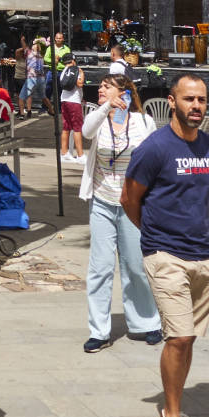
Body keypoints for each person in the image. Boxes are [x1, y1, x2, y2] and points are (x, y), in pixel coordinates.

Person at [121, 74, 209, 417]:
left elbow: (205, 192)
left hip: (205, 255)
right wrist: (154, 237)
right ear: (172, 101)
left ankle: (174, 410)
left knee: (189, 338)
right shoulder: (155, 148)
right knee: (177, 337)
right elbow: (130, 198)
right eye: (188, 99)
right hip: (165, 255)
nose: (196, 106)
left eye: (201, 99)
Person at [81, 78, 160, 353]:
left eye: (107, 86)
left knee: (136, 266)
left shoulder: (143, 122)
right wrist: (105, 109)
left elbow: (154, 157)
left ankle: (146, 323)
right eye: (100, 85)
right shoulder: (97, 118)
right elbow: (86, 131)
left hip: (133, 204)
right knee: (100, 268)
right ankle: (99, 331)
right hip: (102, 201)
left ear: (123, 92)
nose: (100, 89)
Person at [58, 55, 86, 164]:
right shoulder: (77, 70)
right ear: (73, 61)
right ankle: (80, 155)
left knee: (66, 127)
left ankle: (64, 153)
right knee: (77, 128)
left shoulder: (63, 71)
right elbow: (80, 84)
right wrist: (82, 74)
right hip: (74, 102)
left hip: (64, 100)